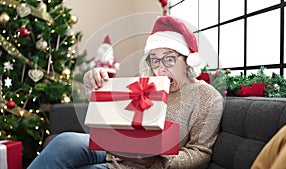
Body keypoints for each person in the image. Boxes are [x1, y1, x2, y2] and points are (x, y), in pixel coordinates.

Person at [27, 15, 224, 169]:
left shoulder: (207, 97)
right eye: (154, 60)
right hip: (113, 150)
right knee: (64, 142)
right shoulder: (147, 83)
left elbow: (200, 154)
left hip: (147, 165)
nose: (160, 68)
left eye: (169, 59)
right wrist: (93, 82)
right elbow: (109, 111)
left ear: (187, 60)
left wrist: (154, 162)